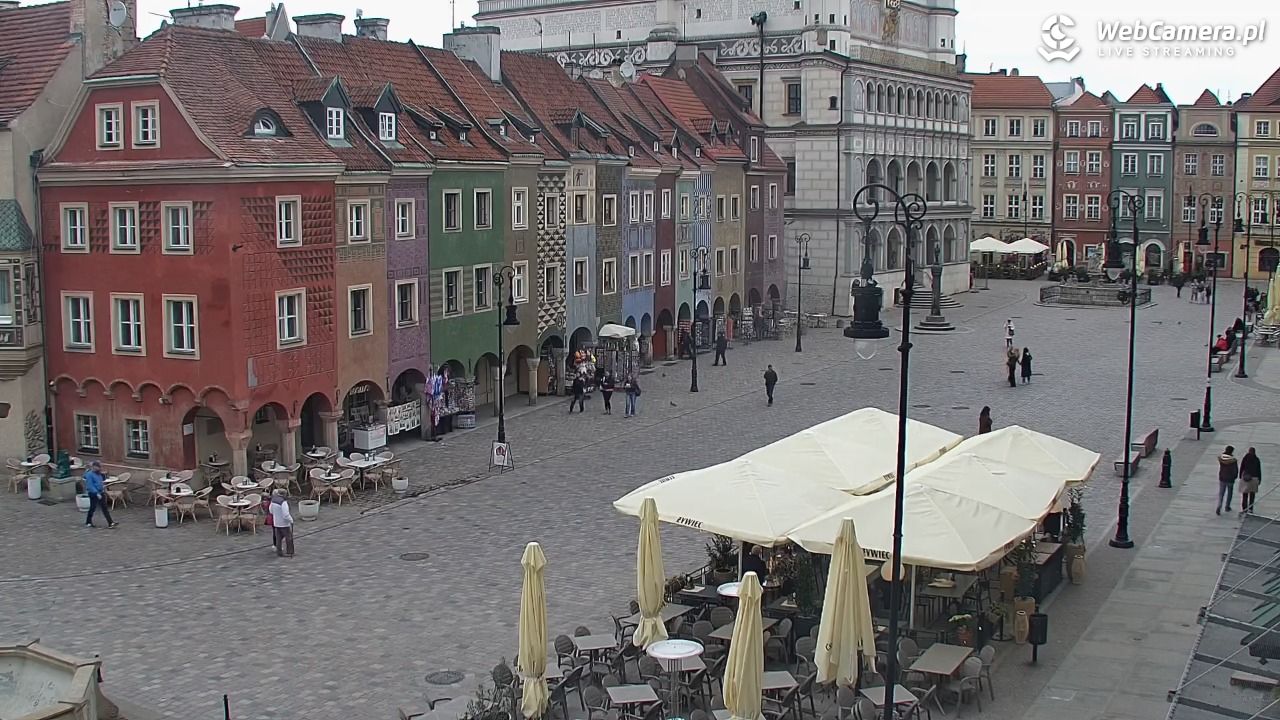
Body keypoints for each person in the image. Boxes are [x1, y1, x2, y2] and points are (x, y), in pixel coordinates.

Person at [82, 461, 117, 529]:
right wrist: (96, 493)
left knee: (104, 507)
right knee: (92, 508)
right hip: (93, 493)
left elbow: (100, 482)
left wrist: (103, 489)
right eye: (98, 467)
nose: (99, 468)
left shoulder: (98, 474)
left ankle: (110, 523)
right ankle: (88, 522)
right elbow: (90, 485)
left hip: (101, 492)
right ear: (94, 467)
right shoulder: (89, 474)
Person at [269, 489, 295, 557]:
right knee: (289, 538)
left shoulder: (273, 500)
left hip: (276, 522)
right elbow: (286, 514)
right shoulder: (283, 502)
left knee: (278, 539)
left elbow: (271, 511)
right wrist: (291, 520)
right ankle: (290, 552)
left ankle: (279, 552)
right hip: (284, 524)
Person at [1217, 445, 1239, 515]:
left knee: (1221, 493)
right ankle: (1227, 506)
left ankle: (1219, 506)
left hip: (1222, 477)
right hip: (1230, 479)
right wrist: (1235, 476)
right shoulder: (1233, 460)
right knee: (1229, 493)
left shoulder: (1221, 458)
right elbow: (1235, 470)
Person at [1241, 447, 1262, 516]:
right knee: (1252, 495)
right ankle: (1250, 508)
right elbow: (1259, 470)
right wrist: (1259, 479)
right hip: (1254, 478)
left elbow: (1242, 467)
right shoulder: (1256, 459)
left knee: (1245, 494)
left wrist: (1240, 476)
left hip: (1246, 478)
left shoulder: (1245, 458)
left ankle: (1245, 508)